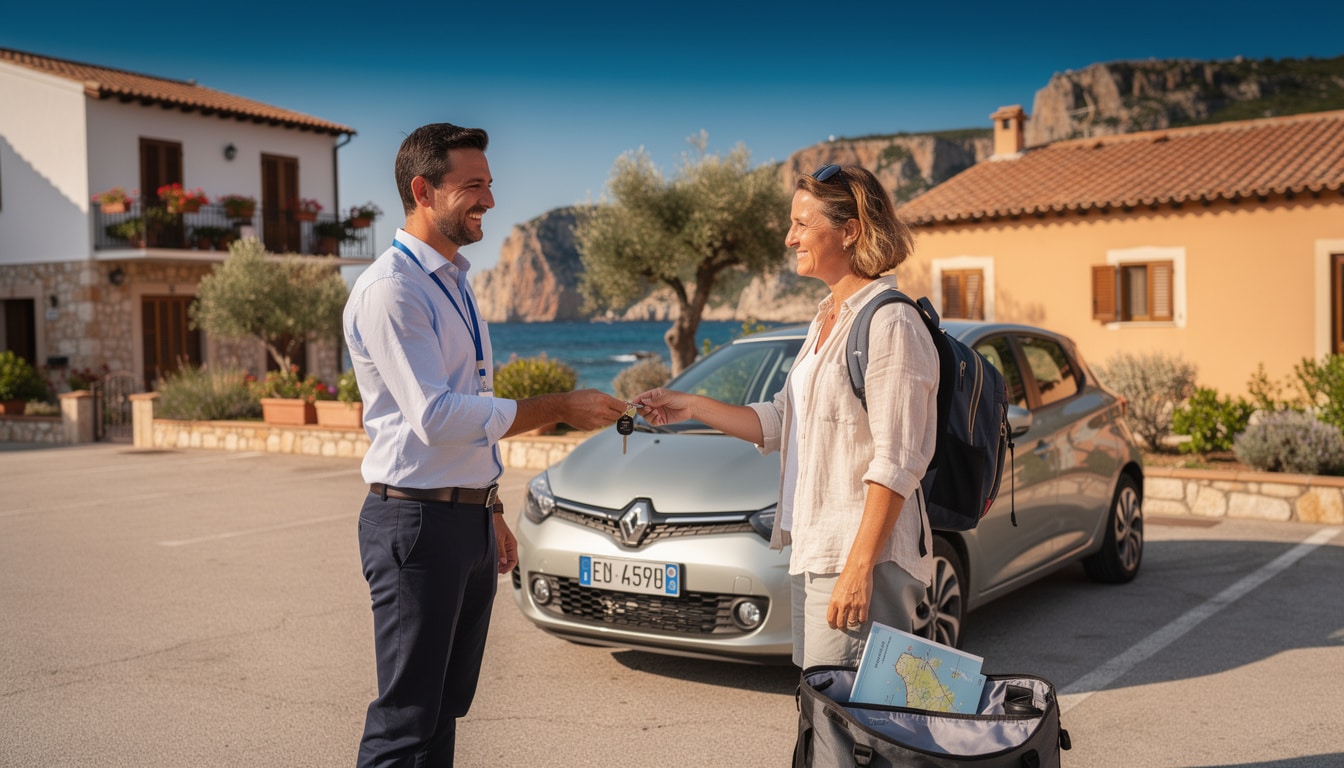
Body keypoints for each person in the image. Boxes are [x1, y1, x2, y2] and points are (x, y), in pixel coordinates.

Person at [343, 122, 629, 768]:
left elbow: (462, 411)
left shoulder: (454, 283)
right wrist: (558, 407)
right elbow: (436, 417)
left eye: (490, 185)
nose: (490, 202)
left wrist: (489, 508)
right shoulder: (394, 289)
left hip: (463, 520)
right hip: (415, 524)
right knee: (405, 722)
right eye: (473, 187)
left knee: (444, 711)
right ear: (422, 190)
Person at [634, 164, 939, 670]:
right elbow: (782, 420)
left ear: (851, 230)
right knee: (825, 714)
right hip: (817, 551)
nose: (788, 237)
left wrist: (858, 567)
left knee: (855, 727)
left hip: (862, 557)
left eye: (802, 223)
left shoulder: (891, 323)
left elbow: (898, 460)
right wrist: (689, 405)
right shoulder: (828, 317)